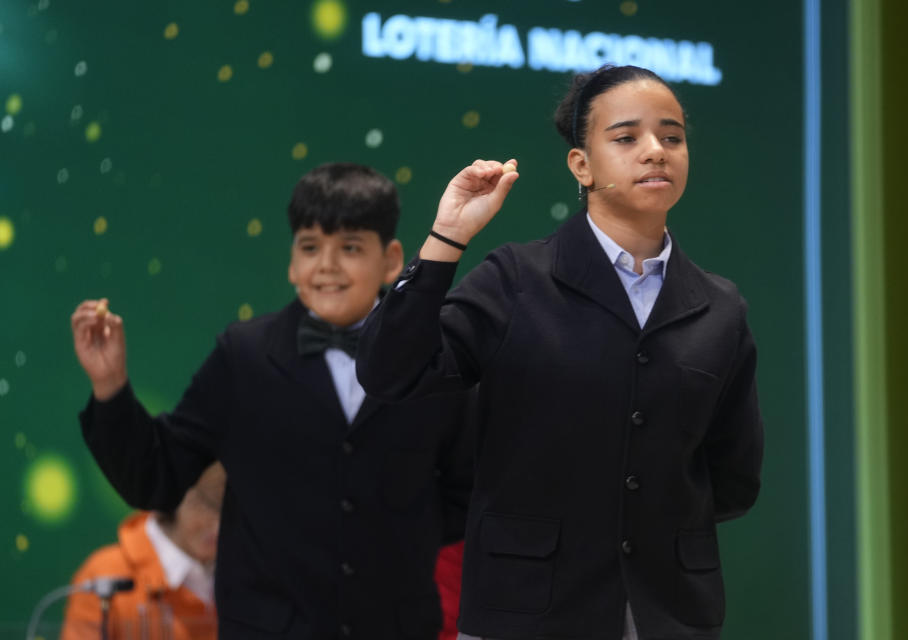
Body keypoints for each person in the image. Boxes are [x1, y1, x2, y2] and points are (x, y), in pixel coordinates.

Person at [357, 65, 764, 640]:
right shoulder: (517, 279)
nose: (655, 151)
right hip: (527, 611)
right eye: (626, 138)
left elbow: (733, 476)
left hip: (669, 613)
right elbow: (390, 372)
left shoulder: (722, 308)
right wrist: (446, 239)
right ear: (582, 165)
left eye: (672, 137)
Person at [70, 163, 475, 639]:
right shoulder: (243, 357)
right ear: (291, 263)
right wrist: (110, 385)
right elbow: (156, 479)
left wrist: (399, 541)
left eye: (349, 248)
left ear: (390, 260)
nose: (326, 266)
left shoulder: (433, 357)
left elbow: (463, 493)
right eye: (309, 248)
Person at [60, 463, 225, 640]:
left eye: (228, 509)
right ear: (174, 497)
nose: (217, 525)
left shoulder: (245, 573)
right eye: (205, 506)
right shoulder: (104, 575)